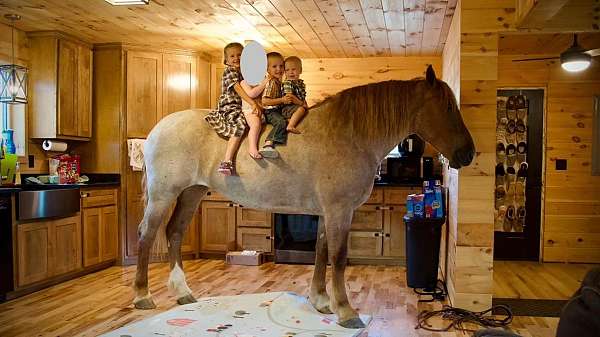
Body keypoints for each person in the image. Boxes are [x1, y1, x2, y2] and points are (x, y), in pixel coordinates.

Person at [205, 42, 262, 175]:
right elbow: (238, 88)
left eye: (240, 55)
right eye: (232, 56)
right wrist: (252, 103)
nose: (236, 58)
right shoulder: (230, 71)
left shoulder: (244, 74)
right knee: (239, 125)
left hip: (241, 106)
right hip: (230, 105)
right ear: (226, 60)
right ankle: (227, 161)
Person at [259, 52, 290, 158]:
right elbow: (265, 102)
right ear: (267, 69)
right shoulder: (271, 82)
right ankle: (268, 143)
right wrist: (282, 100)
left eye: (281, 66)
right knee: (281, 122)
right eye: (274, 66)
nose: (279, 69)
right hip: (270, 111)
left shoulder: (279, 82)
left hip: (277, 109)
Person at [240, 78, 268, 159]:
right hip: (250, 110)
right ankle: (252, 148)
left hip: (261, 110)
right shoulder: (244, 82)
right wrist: (264, 83)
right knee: (255, 125)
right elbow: (252, 94)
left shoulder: (262, 80)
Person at [281, 56, 308, 134]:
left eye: (293, 69)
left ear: (300, 70)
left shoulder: (300, 83)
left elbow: (302, 97)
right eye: (287, 70)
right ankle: (290, 126)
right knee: (301, 109)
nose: (291, 72)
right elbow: (290, 97)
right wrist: (302, 104)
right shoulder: (288, 82)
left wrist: (305, 104)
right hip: (288, 107)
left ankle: (291, 120)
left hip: (296, 106)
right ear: (285, 72)